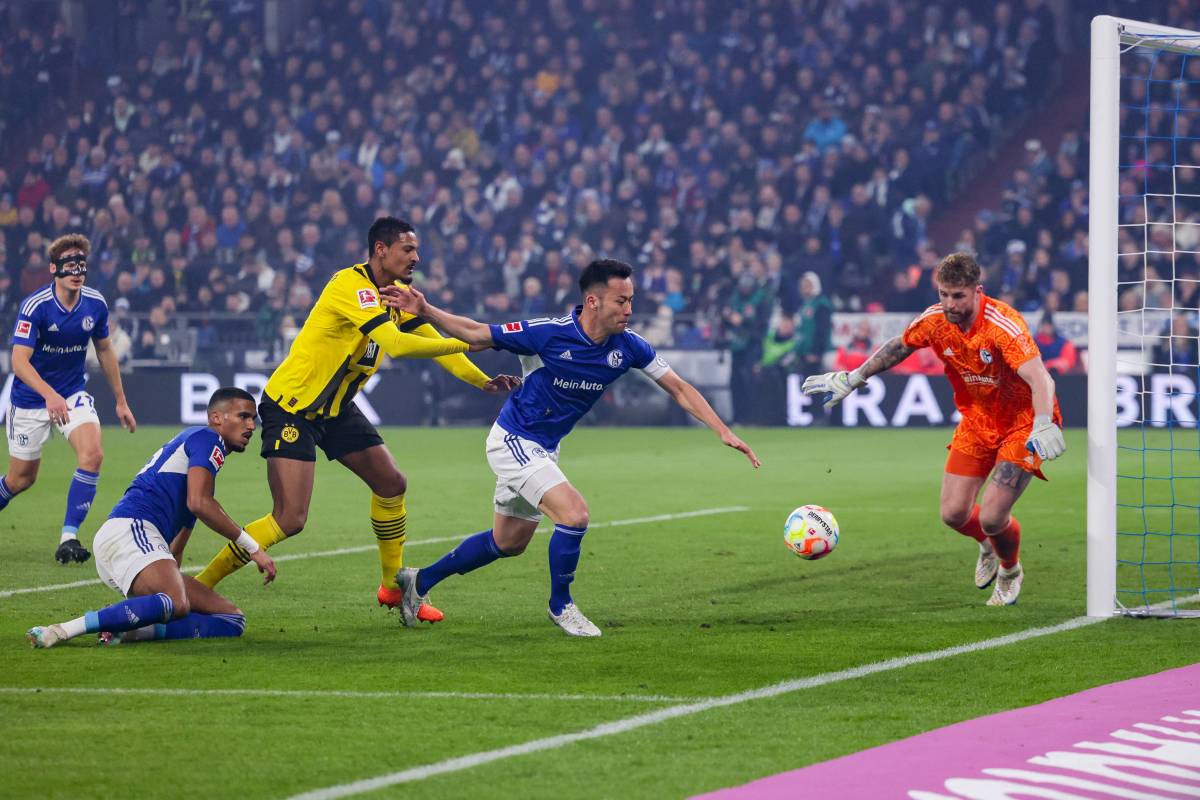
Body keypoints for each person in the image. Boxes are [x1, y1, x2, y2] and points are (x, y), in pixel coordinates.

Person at [388, 258, 761, 637]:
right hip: (514, 440)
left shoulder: (629, 346)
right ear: (593, 301)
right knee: (574, 514)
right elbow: (477, 333)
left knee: (509, 541)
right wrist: (426, 310)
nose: (629, 309)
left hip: (545, 448)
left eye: (631, 300)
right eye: (621, 301)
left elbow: (679, 387)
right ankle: (561, 605)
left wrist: (722, 431)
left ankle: (418, 581)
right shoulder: (548, 333)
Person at [192, 217, 518, 622]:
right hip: (294, 406)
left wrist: (482, 380)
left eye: (417, 250)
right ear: (381, 249)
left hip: (336, 409)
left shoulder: (398, 296)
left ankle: (392, 589)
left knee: (391, 483)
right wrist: (469, 342)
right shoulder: (351, 285)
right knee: (290, 518)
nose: (416, 257)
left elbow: (433, 343)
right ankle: (198, 585)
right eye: (407, 249)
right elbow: (397, 345)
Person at [802, 252, 1065, 606]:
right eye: (944, 294)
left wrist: (1044, 422)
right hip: (978, 420)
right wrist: (854, 378)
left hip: (1024, 422)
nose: (950, 304)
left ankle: (1010, 570)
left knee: (991, 516)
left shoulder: (1003, 324)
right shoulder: (936, 319)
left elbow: (1040, 377)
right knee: (953, 514)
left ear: (977, 291)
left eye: (958, 296)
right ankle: (987, 546)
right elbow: (900, 346)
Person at [27, 388, 275, 648]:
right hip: (130, 531)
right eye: (243, 416)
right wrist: (253, 548)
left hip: (140, 544)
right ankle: (61, 630)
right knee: (176, 601)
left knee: (231, 619)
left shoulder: (200, 469)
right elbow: (200, 503)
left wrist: (169, 579)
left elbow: (177, 545)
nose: (251, 426)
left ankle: (129, 632)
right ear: (216, 418)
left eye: (253, 419)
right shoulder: (207, 438)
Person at [3, 233, 137, 565]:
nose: (76, 271)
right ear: (54, 269)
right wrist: (49, 395)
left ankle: (69, 538)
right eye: (69, 265)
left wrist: (121, 401)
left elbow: (105, 350)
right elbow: (18, 361)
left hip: (73, 394)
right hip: (31, 400)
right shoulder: (36, 306)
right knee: (21, 479)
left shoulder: (95, 304)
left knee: (93, 455)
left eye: (81, 265)